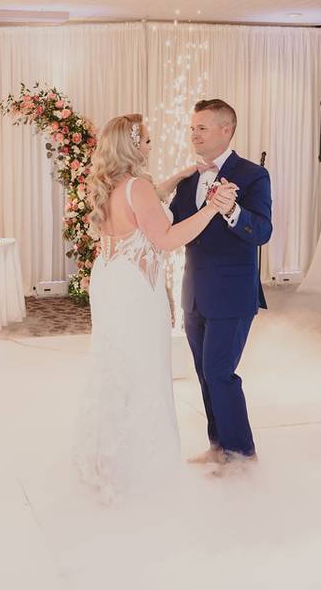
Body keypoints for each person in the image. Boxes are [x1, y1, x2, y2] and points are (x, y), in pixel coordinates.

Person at [73, 114, 236, 503]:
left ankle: (107, 461)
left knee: (114, 366)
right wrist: (213, 209)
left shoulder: (113, 185)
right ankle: (144, 469)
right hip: (134, 288)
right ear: (132, 145)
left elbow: (149, 200)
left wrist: (182, 175)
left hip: (109, 278)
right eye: (145, 140)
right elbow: (165, 239)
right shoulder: (138, 186)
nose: (150, 146)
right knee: (145, 369)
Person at [169, 99, 272, 473]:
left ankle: (242, 454)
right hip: (194, 292)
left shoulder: (252, 175)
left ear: (225, 130)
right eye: (192, 127)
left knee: (219, 372)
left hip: (231, 293)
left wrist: (232, 211)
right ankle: (219, 446)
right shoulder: (191, 177)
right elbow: (175, 226)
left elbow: (262, 231)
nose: (193, 133)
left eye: (201, 127)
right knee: (203, 372)